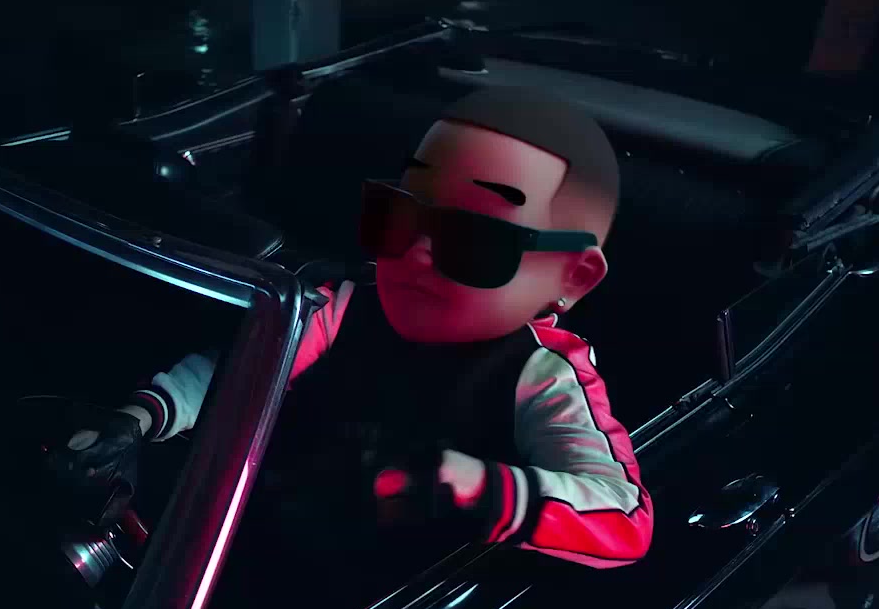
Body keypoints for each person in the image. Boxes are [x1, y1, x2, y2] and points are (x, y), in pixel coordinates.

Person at [52, 86, 653, 582]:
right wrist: (138, 419)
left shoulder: (543, 373)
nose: (417, 253)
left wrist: (467, 486)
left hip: (379, 597)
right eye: (400, 216)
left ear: (571, 277)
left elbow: (624, 518)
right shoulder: (346, 302)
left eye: (476, 242)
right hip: (264, 540)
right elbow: (242, 370)